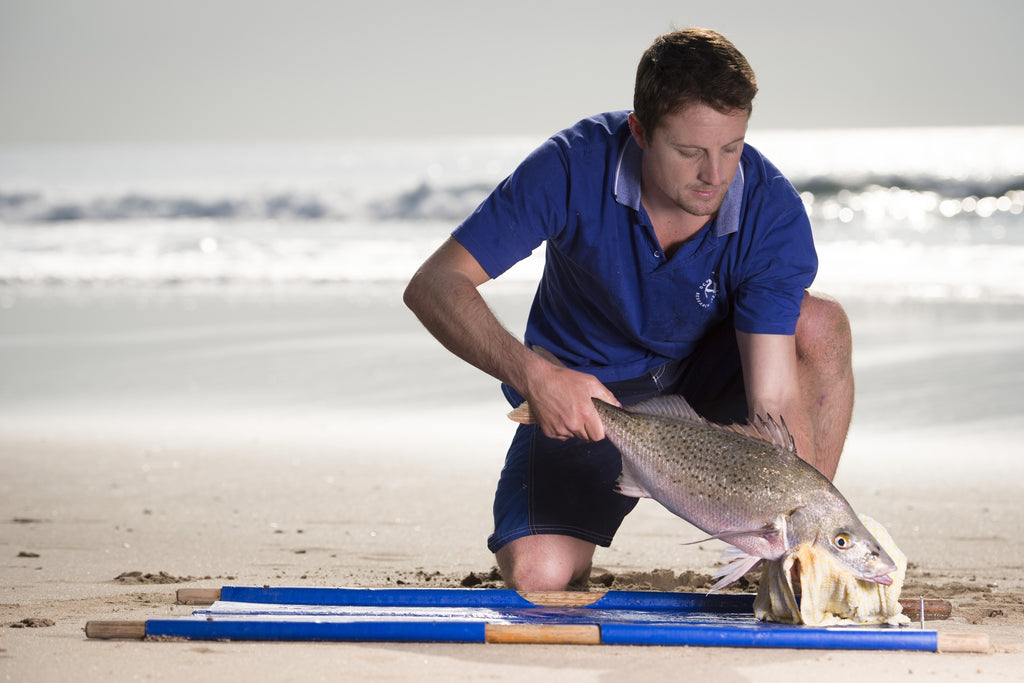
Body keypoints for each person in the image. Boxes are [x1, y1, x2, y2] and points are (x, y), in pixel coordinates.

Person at [403, 28, 854, 592]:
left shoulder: (771, 210)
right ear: (639, 131)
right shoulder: (571, 165)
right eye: (690, 152)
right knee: (541, 578)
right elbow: (435, 283)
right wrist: (534, 376)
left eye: (731, 148)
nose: (715, 175)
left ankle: (787, 559)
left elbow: (772, 399)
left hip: (712, 384)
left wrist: (801, 523)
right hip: (591, 399)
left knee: (817, 323)